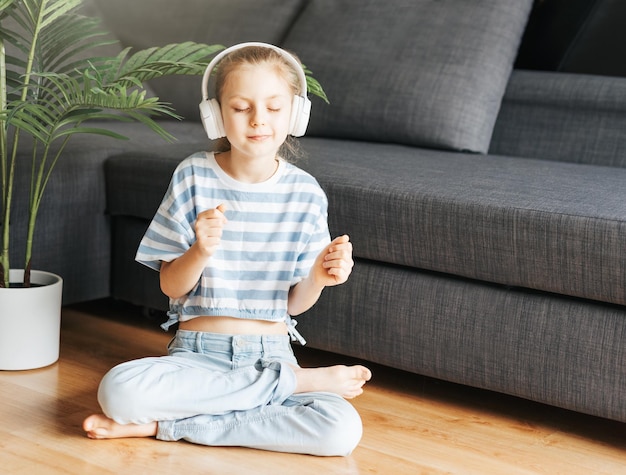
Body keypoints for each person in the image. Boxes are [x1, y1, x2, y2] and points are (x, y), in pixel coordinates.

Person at [83, 42, 371, 457]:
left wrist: (318, 279)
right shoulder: (192, 176)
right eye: (241, 107)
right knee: (118, 391)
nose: (259, 120)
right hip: (198, 356)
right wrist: (200, 250)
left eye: (274, 108)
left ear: (296, 114)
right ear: (215, 114)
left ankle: (163, 425)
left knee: (340, 430)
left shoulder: (306, 194)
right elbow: (171, 287)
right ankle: (296, 384)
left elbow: (294, 306)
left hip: (273, 354)